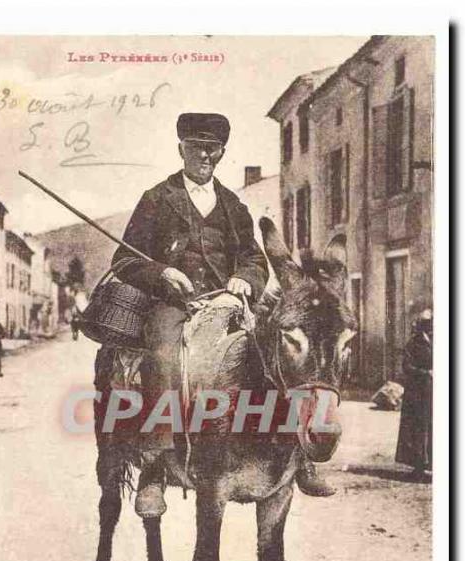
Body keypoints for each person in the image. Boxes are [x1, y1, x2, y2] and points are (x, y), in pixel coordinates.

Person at [111, 112, 334, 517]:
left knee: (276, 356)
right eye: (196, 147)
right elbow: (125, 261)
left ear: (222, 152)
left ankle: (301, 458)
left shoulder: (233, 205)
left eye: (212, 149)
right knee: (163, 356)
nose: (204, 156)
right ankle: (156, 469)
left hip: (228, 305)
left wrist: (244, 281)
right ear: (181, 149)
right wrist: (163, 273)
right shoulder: (156, 200)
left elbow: (253, 258)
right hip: (174, 306)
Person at [396, 309, 433, 477]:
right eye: (426, 324)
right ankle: (418, 465)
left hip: (432, 392)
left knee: (432, 427)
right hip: (417, 393)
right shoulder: (413, 343)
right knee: (417, 428)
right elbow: (407, 367)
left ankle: (431, 462)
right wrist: (426, 372)